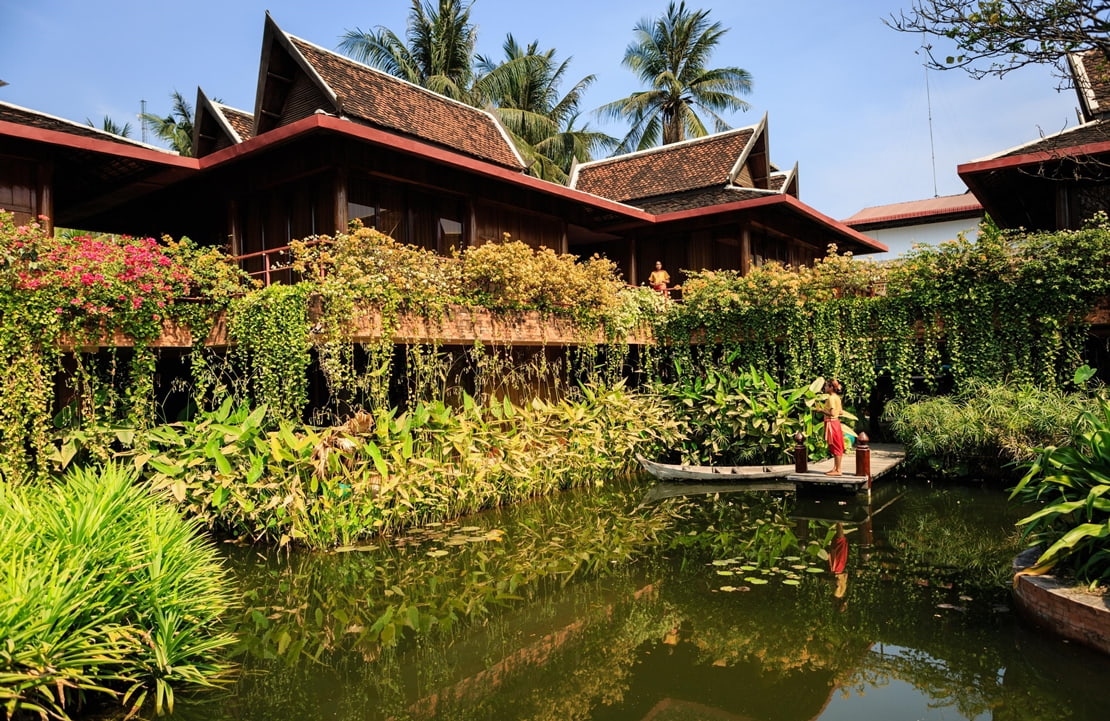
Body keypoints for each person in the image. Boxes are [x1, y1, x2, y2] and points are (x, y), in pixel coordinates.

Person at [822, 379, 845, 476]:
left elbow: (832, 413)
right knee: (836, 445)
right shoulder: (837, 397)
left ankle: (838, 470)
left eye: (827, 386)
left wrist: (820, 410)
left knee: (835, 445)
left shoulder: (831, 398)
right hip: (836, 423)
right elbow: (840, 412)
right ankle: (835, 468)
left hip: (832, 423)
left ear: (831, 388)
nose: (825, 387)